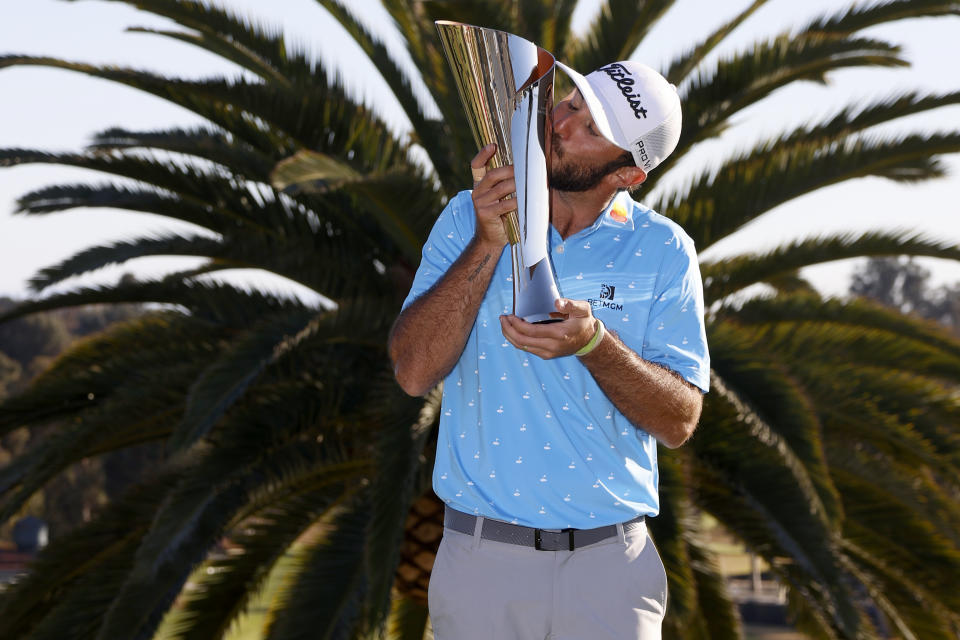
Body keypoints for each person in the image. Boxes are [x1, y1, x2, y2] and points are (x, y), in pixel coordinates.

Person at [388, 60, 710, 640]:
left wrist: (595, 345)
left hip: (612, 569)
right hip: (481, 562)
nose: (561, 125)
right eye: (571, 103)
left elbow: (679, 420)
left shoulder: (664, 249)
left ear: (630, 175)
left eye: (591, 129)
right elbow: (412, 372)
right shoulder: (468, 214)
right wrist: (489, 241)